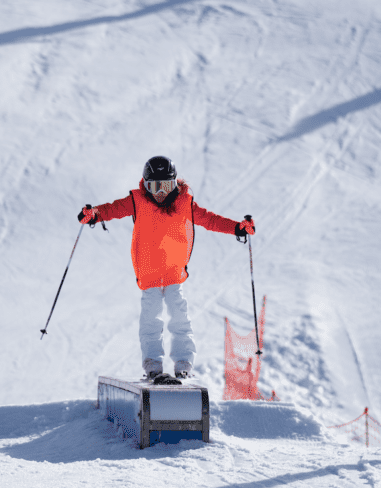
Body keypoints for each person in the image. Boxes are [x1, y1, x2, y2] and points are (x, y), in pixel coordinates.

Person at [77, 156, 256, 380]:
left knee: (179, 317)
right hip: (150, 273)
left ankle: (183, 365)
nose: (160, 192)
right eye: (154, 186)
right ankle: (153, 365)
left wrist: (237, 228)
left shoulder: (185, 204)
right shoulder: (138, 201)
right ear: (146, 184)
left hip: (173, 273)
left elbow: (210, 220)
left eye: (166, 185)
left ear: (174, 183)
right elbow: (114, 209)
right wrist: (94, 214)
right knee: (150, 320)